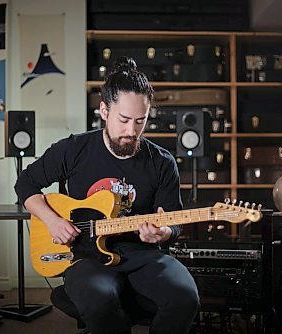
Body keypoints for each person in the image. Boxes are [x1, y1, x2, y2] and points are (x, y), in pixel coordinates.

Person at [15, 56, 200, 334]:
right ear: (103, 110)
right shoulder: (73, 149)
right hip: (85, 256)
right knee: (99, 300)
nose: (131, 131)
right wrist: (52, 221)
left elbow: (172, 221)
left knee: (186, 299)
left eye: (140, 121)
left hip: (143, 254)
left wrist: (164, 233)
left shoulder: (162, 162)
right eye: (123, 119)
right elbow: (25, 184)